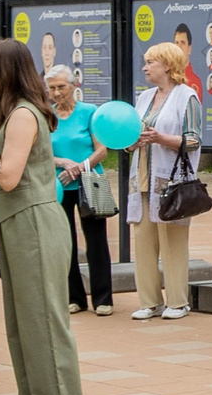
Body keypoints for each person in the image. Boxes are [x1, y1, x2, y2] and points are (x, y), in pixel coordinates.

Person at [0, 39, 88, 395]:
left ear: (3, 70)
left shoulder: (23, 115)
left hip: (35, 225)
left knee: (46, 327)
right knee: (23, 328)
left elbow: (7, 177)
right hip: (18, 224)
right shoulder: (15, 113)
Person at [127, 41, 199, 320]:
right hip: (142, 179)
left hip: (170, 182)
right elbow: (130, 136)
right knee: (143, 241)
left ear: (167, 65)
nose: (145, 68)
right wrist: (131, 142)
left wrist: (160, 138)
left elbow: (193, 140)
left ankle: (178, 302)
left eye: (150, 63)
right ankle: (149, 301)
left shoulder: (187, 96)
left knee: (173, 242)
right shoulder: (144, 98)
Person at [46, 65, 115, 316]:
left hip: (89, 182)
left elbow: (102, 149)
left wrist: (79, 167)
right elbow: (42, 153)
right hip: (59, 185)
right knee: (65, 243)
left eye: (61, 87)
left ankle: (103, 298)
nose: (56, 93)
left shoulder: (89, 112)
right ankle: (74, 297)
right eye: (52, 88)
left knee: (96, 241)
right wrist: (62, 163)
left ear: (75, 87)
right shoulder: (47, 115)